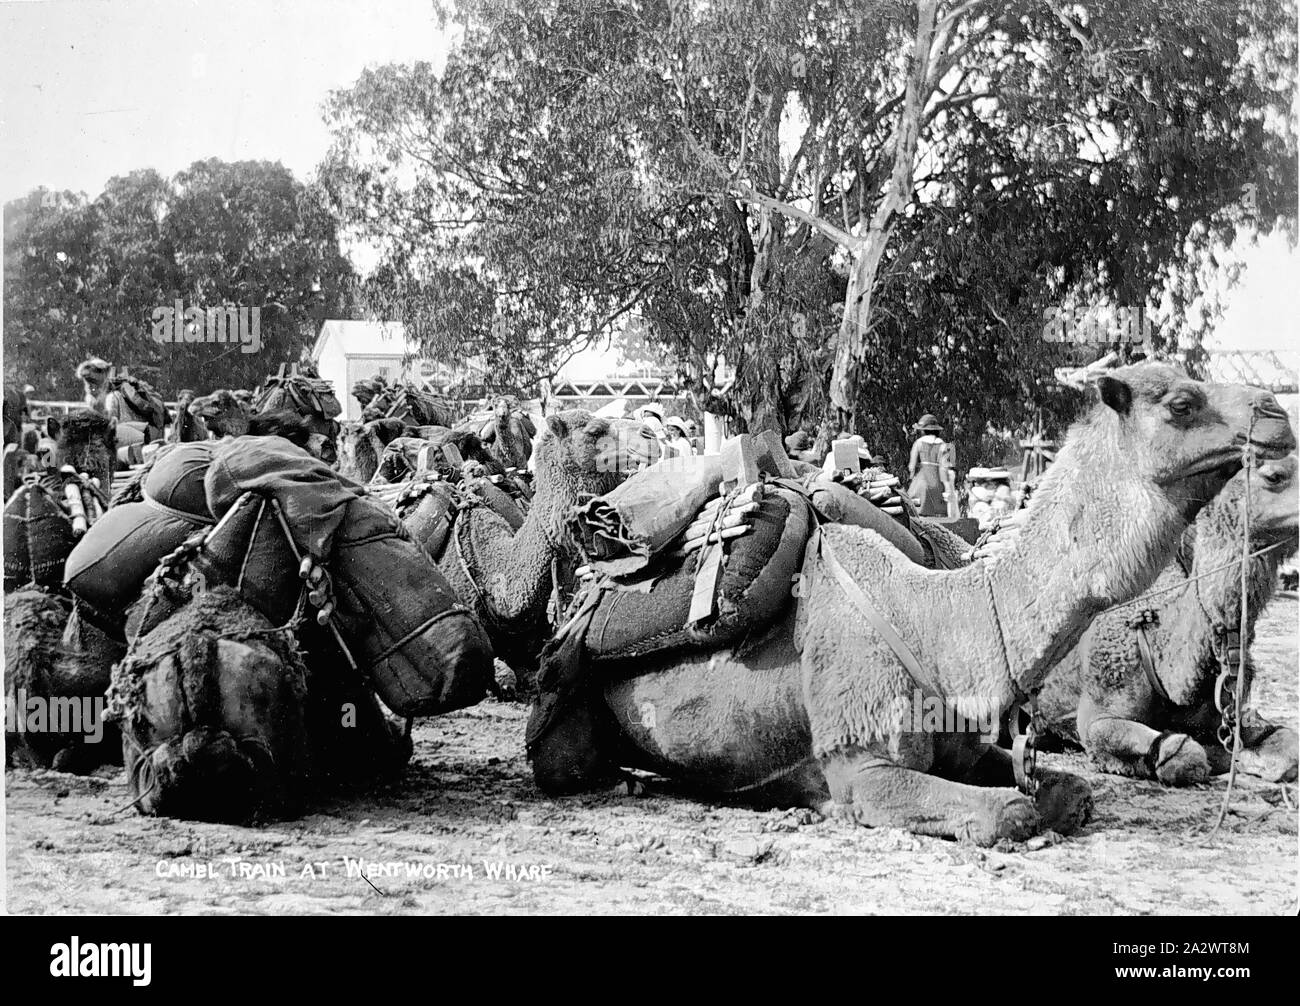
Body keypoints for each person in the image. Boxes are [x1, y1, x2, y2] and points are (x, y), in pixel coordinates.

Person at [907, 413, 950, 517]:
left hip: (922, 481)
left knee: (910, 502)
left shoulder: (918, 443)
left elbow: (911, 466)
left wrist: (912, 477)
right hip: (938, 482)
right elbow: (945, 467)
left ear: (923, 430)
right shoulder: (943, 444)